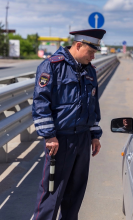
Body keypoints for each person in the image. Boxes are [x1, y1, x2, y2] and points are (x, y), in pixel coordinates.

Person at [32, 29, 106, 220]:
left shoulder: (89, 70)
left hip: (82, 138)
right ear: (79, 45)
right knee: (52, 193)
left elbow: (92, 105)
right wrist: (49, 135)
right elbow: (41, 103)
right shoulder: (51, 66)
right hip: (60, 140)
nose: (93, 55)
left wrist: (94, 135)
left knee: (76, 192)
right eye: (91, 50)